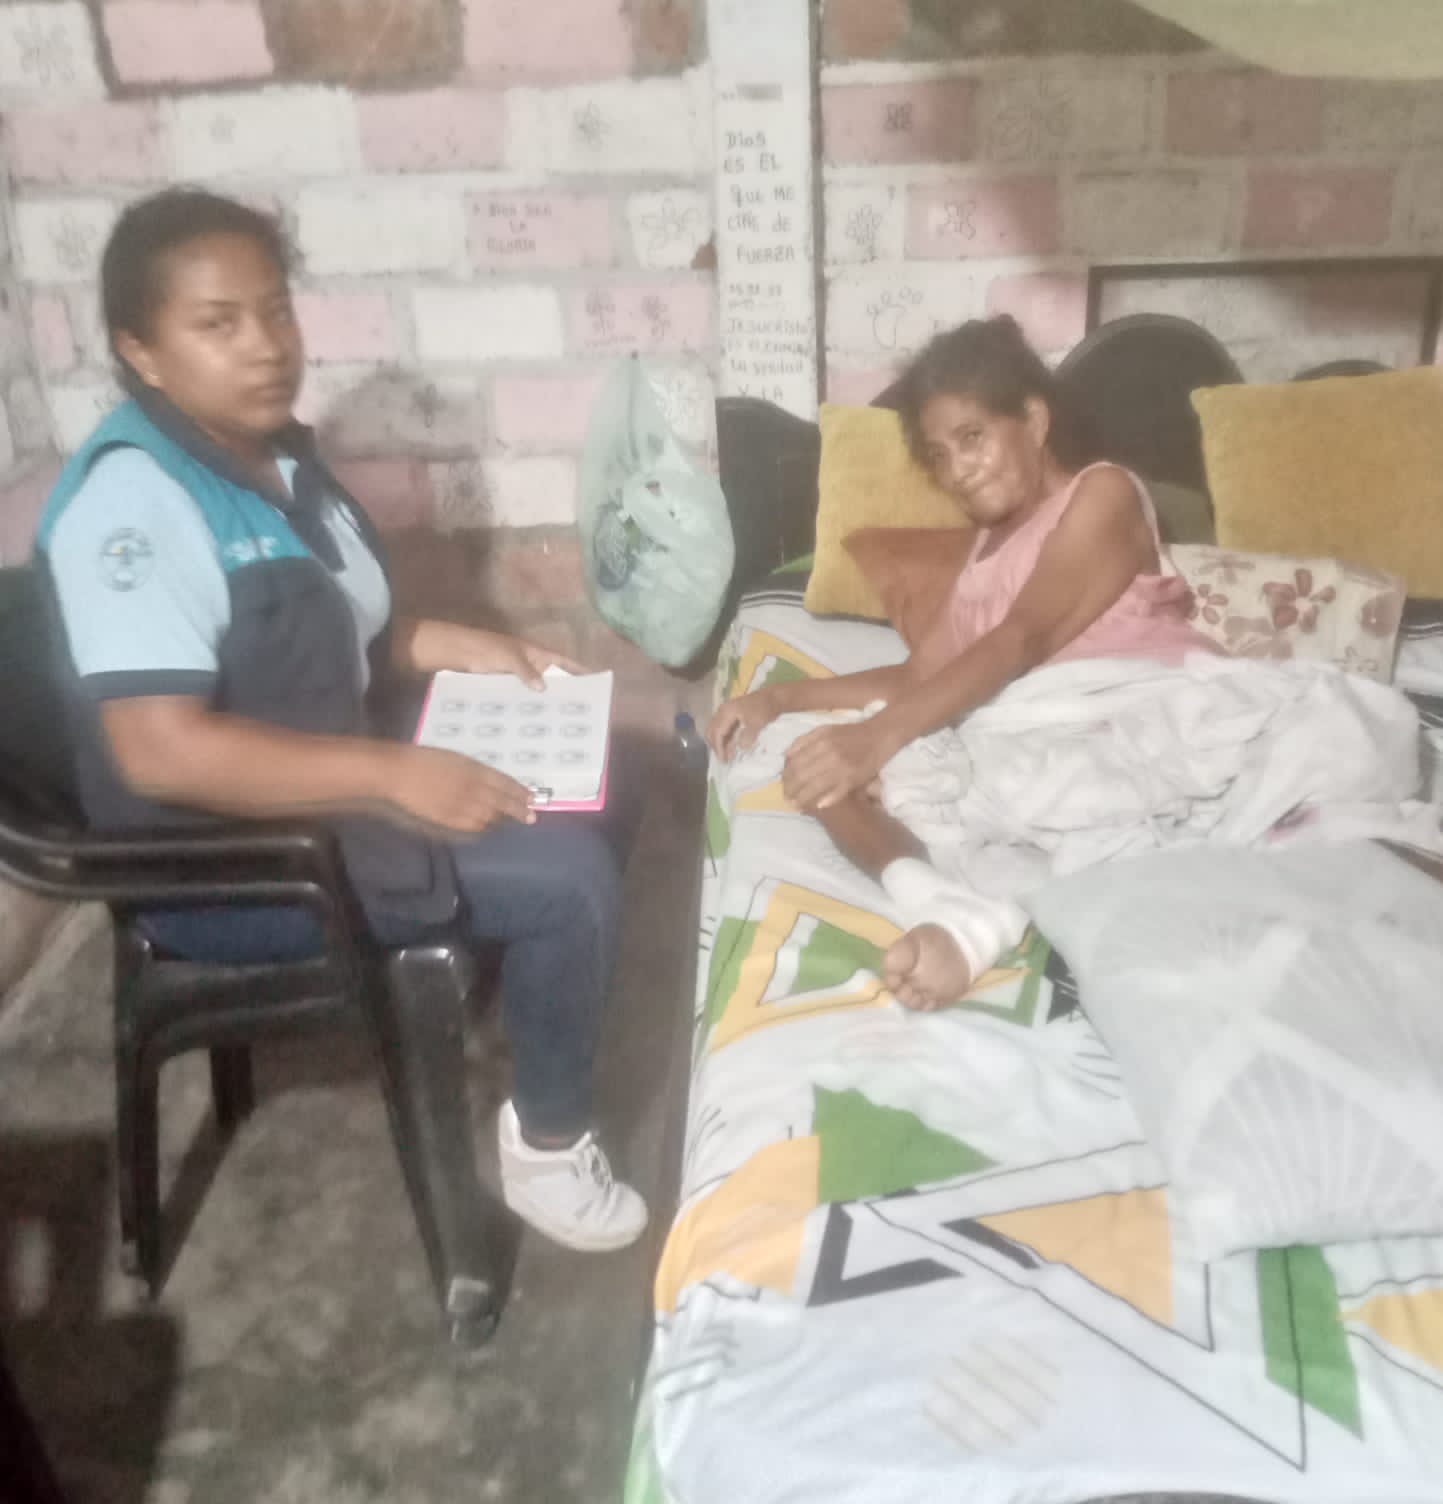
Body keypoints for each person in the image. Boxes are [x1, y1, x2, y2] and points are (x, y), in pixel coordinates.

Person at [36, 188, 646, 1253]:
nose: (267, 346)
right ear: (142, 351)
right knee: (569, 877)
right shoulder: (135, 506)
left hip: (326, 779)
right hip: (230, 862)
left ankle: (523, 991)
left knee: (612, 769)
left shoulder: (271, 463)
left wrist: (466, 646)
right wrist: (391, 776)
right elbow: (159, 751)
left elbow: (333, 630)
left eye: (275, 310)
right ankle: (548, 1145)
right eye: (218, 323)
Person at [709, 315, 1217, 1013]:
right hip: (1032, 730)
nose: (957, 470)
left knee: (878, 755)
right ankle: (942, 901)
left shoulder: (1103, 493)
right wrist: (782, 700)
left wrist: (876, 738)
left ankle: (998, 919)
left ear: (1034, 421)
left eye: (972, 437)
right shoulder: (984, 551)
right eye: (940, 456)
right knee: (813, 763)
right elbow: (922, 676)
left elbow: (1022, 638)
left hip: (1133, 708)